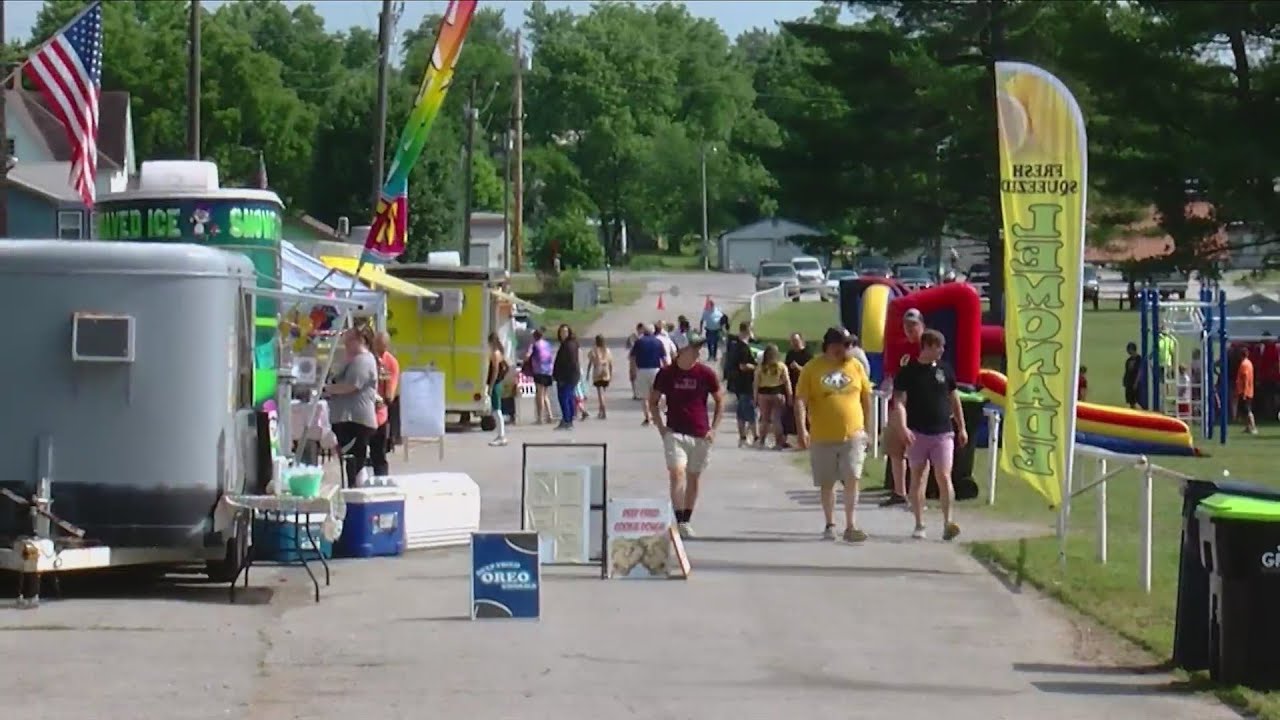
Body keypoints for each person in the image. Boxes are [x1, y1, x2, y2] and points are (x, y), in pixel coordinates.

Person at [795, 327, 873, 542]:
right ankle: (830, 523)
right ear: (830, 346)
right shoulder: (812, 368)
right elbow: (801, 400)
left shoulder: (855, 366)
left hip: (853, 435)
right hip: (822, 435)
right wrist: (802, 429)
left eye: (849, 345)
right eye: (843, 345)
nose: (847, 349)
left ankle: (851, 525)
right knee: (827, 482)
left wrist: (867, 428)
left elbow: (866, 398)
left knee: (852, 477)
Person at [891, 329, 967, 541]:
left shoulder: (945, 370)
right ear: (928, 346)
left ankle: (948, 522)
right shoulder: (908, 372)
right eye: (939, 346)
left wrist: (962, 427)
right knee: (918, 476)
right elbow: (898, 402)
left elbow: (954, 398)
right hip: (918, 433)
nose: (942, 350)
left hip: (943, 432)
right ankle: (919, 523)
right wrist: (903, 428)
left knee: (943, 475)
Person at [650, 331, 724, 539]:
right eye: (694, 348)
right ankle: (679, 518)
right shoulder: (666, 374)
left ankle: (687, 519)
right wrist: (661, 428)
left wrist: (713, 429)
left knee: (694, 476)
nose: (698, 352)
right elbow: (653, 401)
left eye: (699, 348)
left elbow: (720, 399)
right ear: (681, 350)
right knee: (677, 473)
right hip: (675, 433)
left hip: (700, 433)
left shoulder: (705, 373)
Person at [881, 308, 926, 507]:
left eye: (914, 325)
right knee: (895, 448)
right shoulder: (898, 347)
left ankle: (918, 496)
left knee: (918, 452)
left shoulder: (927, 348)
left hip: (920, 405)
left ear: (922, 326)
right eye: (907, 325)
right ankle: (899, 492)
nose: (910, 329)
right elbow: (891, 374)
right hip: (898, 403)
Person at [325, 327, 380, 487]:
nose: (346, 345)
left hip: (355, 419)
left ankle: (355, 494)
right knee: (351, 461)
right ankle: (352, 490)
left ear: (360, 340)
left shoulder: (363, 360)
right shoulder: (354, 359)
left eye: (349, 341)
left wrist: (327, 389)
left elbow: (352, 385)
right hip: (347, 418)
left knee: (355, 461)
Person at [723, 321, 758, 447]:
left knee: (741, 411)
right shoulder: (743, 347)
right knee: (749, 410)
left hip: (737, 383)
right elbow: (743, 366)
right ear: (747, 330)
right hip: (745, 383)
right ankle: (755, 436)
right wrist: (756, 367)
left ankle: (743, 436)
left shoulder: (734, 345)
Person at [371, 331, 401, 474]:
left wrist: (388, 393)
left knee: (379, 452)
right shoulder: (368, 358)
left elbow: (391, 390)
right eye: (377, 345)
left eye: (382, 347)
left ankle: (381, 478)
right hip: (365, 407)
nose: (378, 350)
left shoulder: (391, 362)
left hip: (380, 409)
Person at [753, 344, 792, 449]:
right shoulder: (781, 366)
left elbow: (756, 383)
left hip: (763, 393)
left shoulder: (761, 367)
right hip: (777, 392)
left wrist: (755, 397)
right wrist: (790, 396)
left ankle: (762, 441)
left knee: (764, 419)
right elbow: (787, 382)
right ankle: (778, 443)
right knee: (777, 419)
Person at [631, 323, 667, 426]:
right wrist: (666, 371)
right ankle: (656, 415)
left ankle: (647, 417)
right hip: (655, 370)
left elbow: (633, 357)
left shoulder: (639, 342)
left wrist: (633, 370)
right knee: (655, 394)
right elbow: (663, 358)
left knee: (644, 396)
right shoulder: (658, 342)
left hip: (642, 370)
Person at [783, 333, 814, 439]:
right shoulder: (790, 354)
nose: (794, 344)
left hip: (805, 386)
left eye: (796, 341)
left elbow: (810, 372)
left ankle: (808, 432)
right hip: (792, 384)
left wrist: (798, 367)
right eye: (792, 341)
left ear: (801, 341)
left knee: (805, 409)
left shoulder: (808, 354)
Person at [553, 324, 582, 430]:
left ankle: (567, 420)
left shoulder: (568, 345)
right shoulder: (568, 344)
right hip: (568, 376)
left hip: (566, 377)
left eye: (565, 332)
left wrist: (562, 377)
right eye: (561, 332)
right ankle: (567, 419)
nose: (563, 334)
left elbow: (570, 363)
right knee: (568, 398)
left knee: (564, 398)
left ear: (569, 332)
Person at [526, 329, 555, 423]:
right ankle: (550, 415)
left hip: (539, 371)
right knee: (545, 395)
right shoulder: (547, 344)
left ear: (534, 337)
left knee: (540, 395)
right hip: (548, 371)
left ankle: (540, 418)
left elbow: (527, 356)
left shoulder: (534, 345)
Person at [486, 332, 510, 446]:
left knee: (496, 410)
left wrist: (490, 385)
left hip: (495, 384)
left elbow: (495, 371)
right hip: (498, 383)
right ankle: (500, 435)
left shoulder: (495, 354)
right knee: (496, 409)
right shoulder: (500, 353)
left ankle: (501, 435)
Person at [587, 334, 614, 419]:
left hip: (597, 372)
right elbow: (611, 363)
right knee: (603, 393)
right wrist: (611, 374)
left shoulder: (593, 351)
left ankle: (603, 410)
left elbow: (590, 363)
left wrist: (588, 373)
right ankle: (600, 411)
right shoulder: (607, 350)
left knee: (600, 394)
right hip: (605, 372)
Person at [1236, 346, 1257, 434]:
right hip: (1248, 390)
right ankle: (1248, 427)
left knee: (1247, 410)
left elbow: (1245, 378)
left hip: (1245, 391)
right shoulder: (1249, 363)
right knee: (1245, 411)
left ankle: (1253, 427)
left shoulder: (1244, 364)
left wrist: (1244, 392)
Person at [1123, 342, 1145, 409]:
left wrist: (1136, 382)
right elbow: (1127, 372)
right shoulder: (1128, 360)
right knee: (1131, 401)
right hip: (1129, 382)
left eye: (1129, 350)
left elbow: (1140, 371)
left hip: (1136, 383)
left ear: (1132, 350)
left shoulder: (1139, 359)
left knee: (1138, 400)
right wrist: (1125, 381)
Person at [627, 322, 645, 400]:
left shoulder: (641, 338)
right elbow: (628, 346)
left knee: (637, 376)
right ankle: (635, 393)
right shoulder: (634, 337)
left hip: (638, 358)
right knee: (633, 377)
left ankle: (638, 393)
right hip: (635, 358)